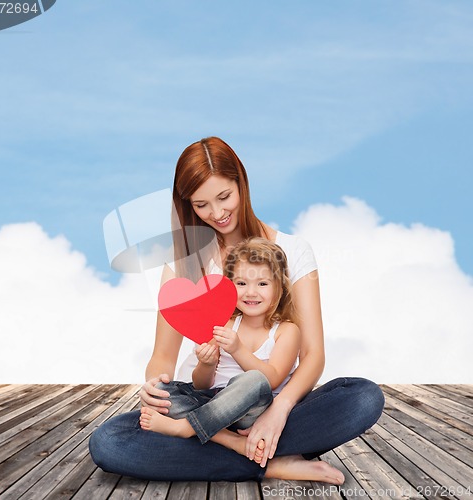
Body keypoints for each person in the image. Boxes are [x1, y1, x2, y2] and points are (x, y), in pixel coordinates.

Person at [89, 137, 385, 483]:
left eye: (224, 197)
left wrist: (277, 411)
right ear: (187, 205)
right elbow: (162, 358)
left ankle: (243, 445)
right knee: (108, 442)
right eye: (201, 204)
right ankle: (269, 462)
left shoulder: (294, 250)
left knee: (363, 397)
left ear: (241, 183)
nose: (217, 213)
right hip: (201, 401)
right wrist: (155, 386)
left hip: (271, 402)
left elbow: (314, 355)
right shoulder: (184, 260)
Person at [138, 238, 301, 465]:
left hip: (251, 412)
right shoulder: (225, 324)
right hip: (211, 404)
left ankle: (186, 428)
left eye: (262, 284)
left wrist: (237, 349)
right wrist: (205, 364)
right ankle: (229, 441)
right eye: (242, 283)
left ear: (280, 288)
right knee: (161, 390)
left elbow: (271, 380)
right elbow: (202, 385)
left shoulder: (286, 331)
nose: (251, 292)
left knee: (253, 380)